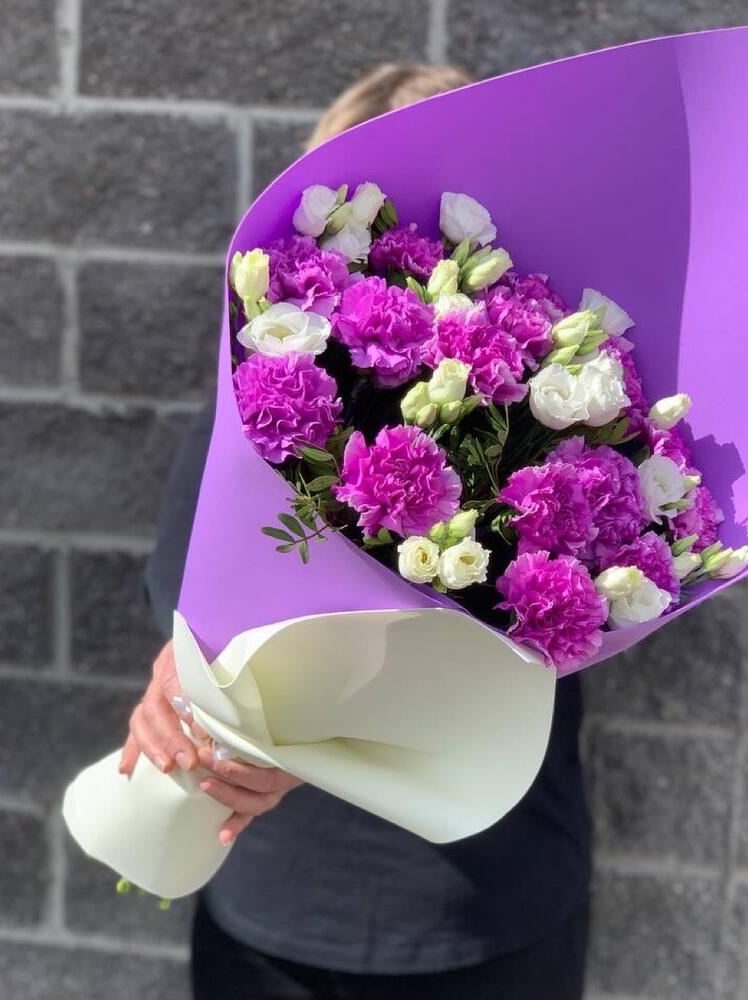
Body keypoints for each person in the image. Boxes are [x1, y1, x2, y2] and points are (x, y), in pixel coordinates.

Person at [123, 63, 592, 1000]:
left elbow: (541, 643)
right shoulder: (268, 399)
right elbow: (186, 613)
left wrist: (292, 731)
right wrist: (181, 689)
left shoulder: (557, 420)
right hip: (318, 900)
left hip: (462, 905)